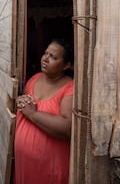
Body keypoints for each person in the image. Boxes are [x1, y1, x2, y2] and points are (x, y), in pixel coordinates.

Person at [14, 38, 74, 184]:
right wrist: (19, 101)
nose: (45, 59)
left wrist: (33, 114)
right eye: (46, 53)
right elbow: (26, 104)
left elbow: (67, 127)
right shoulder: (34, 79)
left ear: (66, 65)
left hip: (50, 168)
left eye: (53, 57)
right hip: (25, 164)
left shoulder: (70, 88)